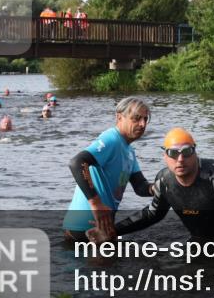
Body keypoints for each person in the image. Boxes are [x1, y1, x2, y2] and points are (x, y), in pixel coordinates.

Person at [93, 128, 214, 245]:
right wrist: (113, 231)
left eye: (186, 152)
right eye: (173, 153)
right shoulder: (164, 181)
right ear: (165, 157)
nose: (180, 159)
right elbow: (153, 214)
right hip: (200, 242)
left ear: (195, 153)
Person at [62, 97, 153, 243]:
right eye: (136, 118)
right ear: (119, 117)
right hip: (84, 228)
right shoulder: (112, 139)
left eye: (145, 119)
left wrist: (161, 187)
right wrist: (96, 204)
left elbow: (140, 186)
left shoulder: (129, 150)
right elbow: (77, 163)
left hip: (103, 227)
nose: (142, 124)